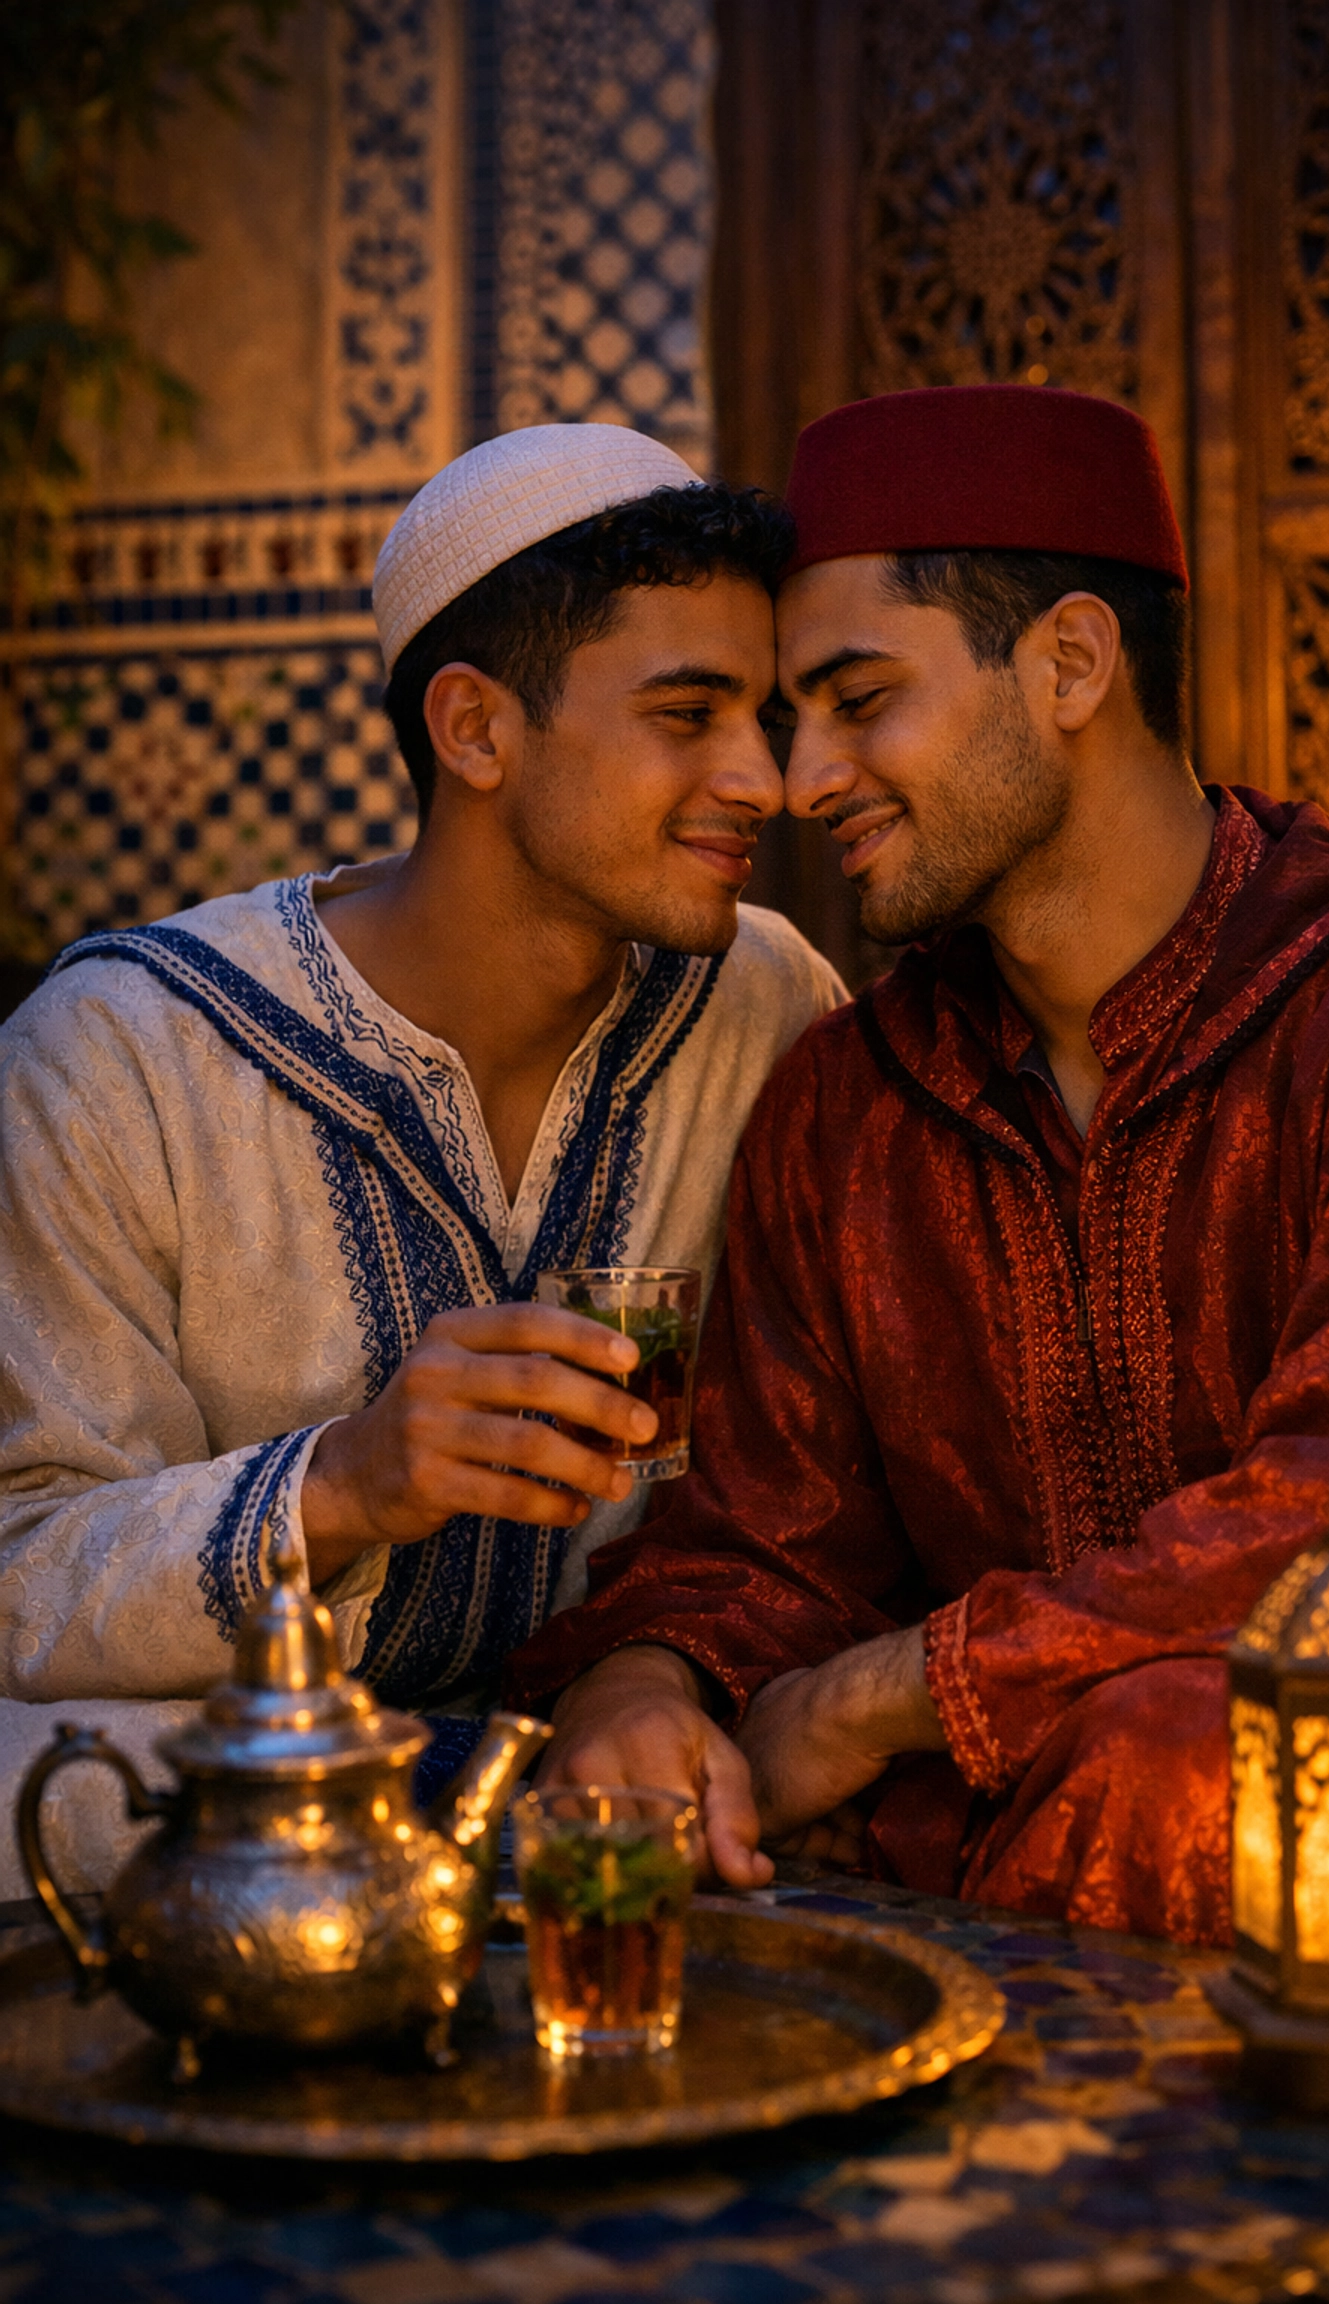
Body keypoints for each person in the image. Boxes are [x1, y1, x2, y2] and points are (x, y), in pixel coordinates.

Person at [511, 384, 1329, 1946]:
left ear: (1069, 663)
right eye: (798, 720)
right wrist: (644, 1690)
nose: (801, 781)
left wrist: (886, 1700)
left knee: (1175, 1758)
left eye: (861, 699)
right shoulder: (846, 1106)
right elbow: (758, 1543)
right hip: (976, 1854)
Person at [0, 423, 842, 1872]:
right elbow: (20, 1576)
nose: (764, 780)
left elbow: (816, 1482)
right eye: (687, 714)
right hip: (264, 1775)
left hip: (631, 1736)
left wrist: (652, 1674)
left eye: (764, 718)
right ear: (475, 730)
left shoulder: (768, 1003)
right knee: (39, 1783)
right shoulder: (121, 1053)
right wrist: (345, 1481)